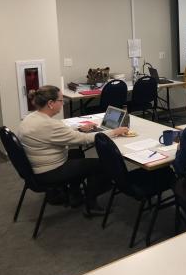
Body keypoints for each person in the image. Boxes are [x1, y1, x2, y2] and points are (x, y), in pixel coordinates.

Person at [18, 85, 128, 213]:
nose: (63, 103)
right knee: (102, 165)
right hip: (49, 172)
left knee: (76, 152)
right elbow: (84, 139)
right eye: (60, 100)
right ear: (50, 103)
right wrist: (115, 131)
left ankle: (74, 193)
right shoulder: (49, 125)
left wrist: (78, 128)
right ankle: (91, 203)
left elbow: (55, 134)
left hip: (36, 168)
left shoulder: (31, 118)